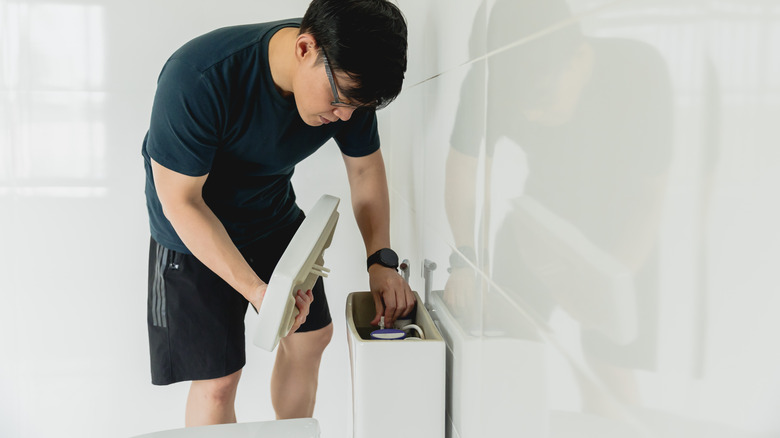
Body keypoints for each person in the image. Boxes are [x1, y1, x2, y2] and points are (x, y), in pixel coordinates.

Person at [141, 0, 414, 426]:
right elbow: (181, 201)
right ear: (305, 48)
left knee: (310, 338)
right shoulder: (198, 77)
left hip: (269, 214)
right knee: (218, 380)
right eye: (340, 100)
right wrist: (258, 291)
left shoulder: (349, 86)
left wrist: (380, 260)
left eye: (357, 109)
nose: (344, 116)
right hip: (190, 234)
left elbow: (364, 169)